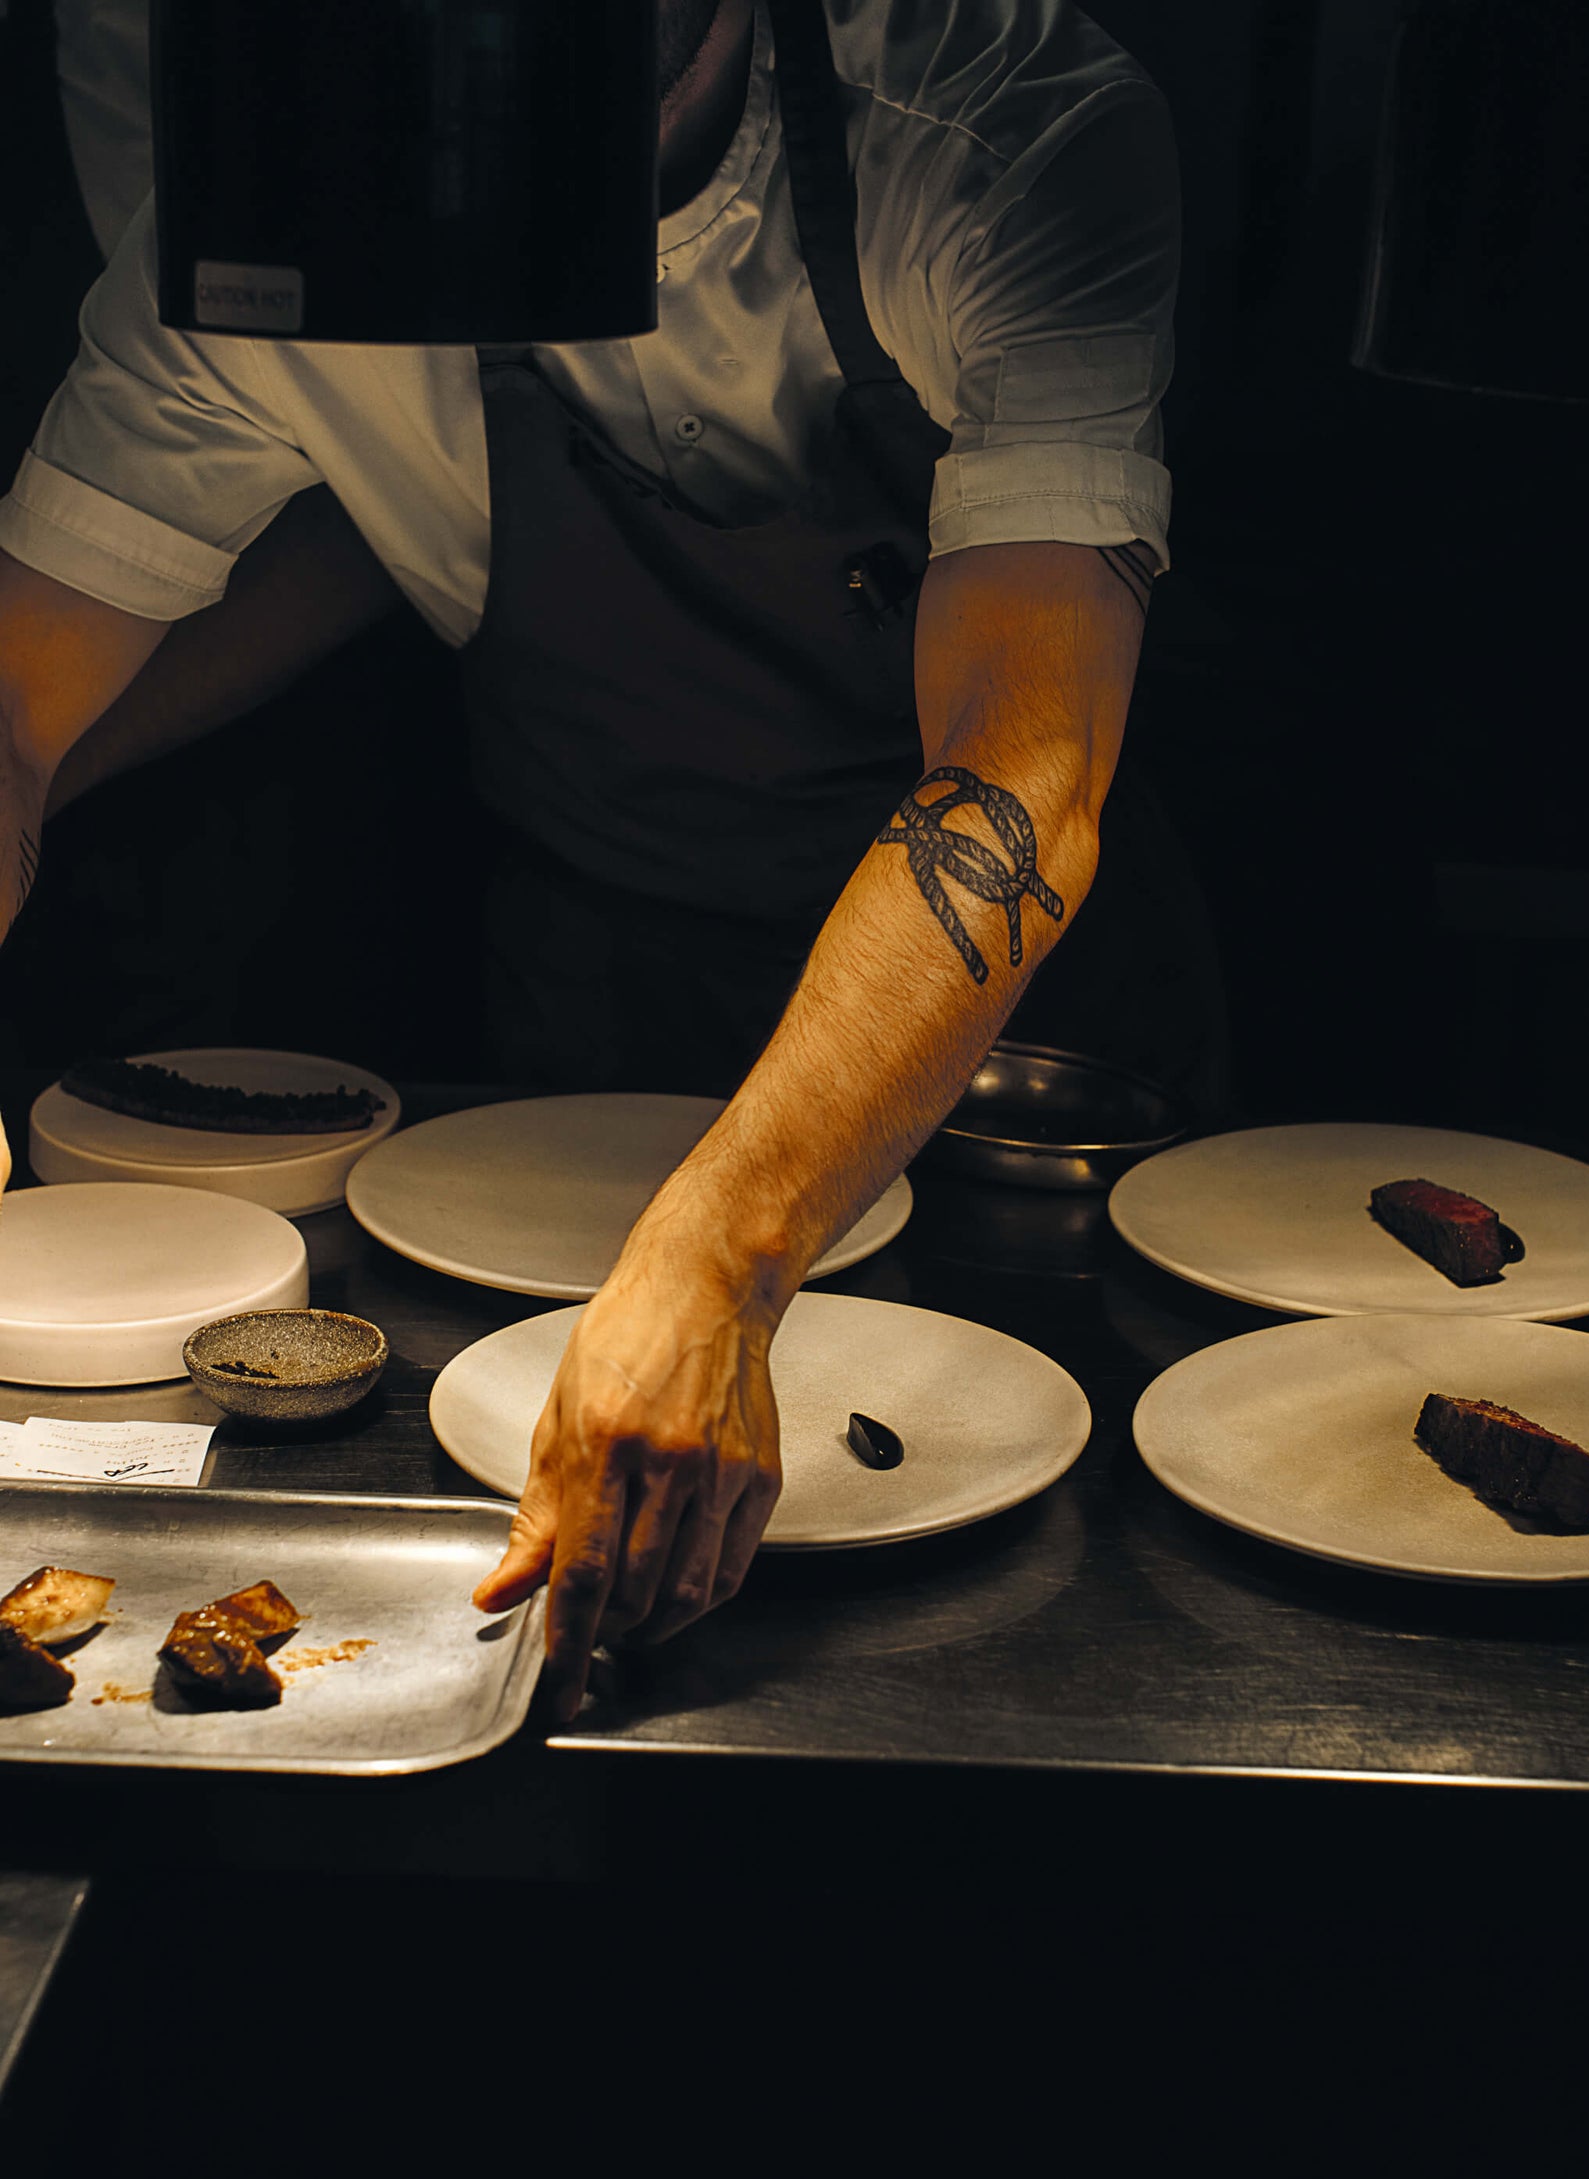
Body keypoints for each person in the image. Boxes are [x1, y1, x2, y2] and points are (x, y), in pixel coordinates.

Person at [0, 0, 1187, 1720]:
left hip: (1020, 1080)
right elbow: (19, 702)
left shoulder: (991, 130)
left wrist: (716, 1255)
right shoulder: (290, 195)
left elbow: (1023, 761)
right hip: (592, 978)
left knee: (1009, 1636)